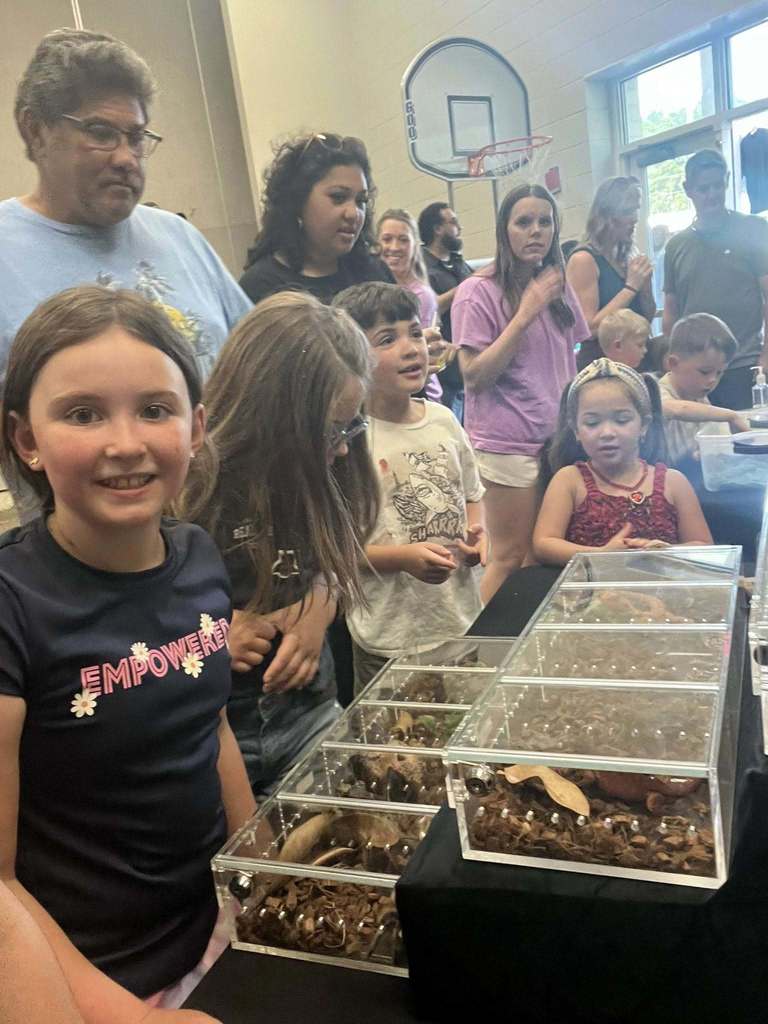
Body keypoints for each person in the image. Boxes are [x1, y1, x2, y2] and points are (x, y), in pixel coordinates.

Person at [0, 287, 254, 1009]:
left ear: (196, 424)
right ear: (26, 440)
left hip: (215, 936)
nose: (126, 442)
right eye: (83, 414)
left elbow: (213, 728)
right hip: (83, 980)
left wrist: (257, 879)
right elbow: (1, 884)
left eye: (154, 408)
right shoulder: (12, 605)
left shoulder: (201, 556)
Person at [179, 292, 379, 794]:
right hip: (220, 729)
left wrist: (317, 611)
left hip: (309, 710)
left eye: (350, 427)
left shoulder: (327, 472)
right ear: (268, 412)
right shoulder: (189, 488)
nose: (340, 449)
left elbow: (336, 559)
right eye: (329, 431)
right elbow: (134, 619)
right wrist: (208, 641)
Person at [1, 28, 251, 384]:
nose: (126, 159)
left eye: (135, 138)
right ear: (36, 131)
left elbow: (260, 368)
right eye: (101, 133)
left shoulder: (180, 237)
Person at [333, 282, 485, 691]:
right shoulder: (347, 442)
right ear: (350, 357)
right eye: (387, 339)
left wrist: (477, 537)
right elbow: (335, 551)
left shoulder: (443, 420)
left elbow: (472, 495)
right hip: (389, 636)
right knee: (397, 746)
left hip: (458, 619)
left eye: (415, 332)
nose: (411, 347)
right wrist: (400, 557)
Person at [452, 183, 589, 601]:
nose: (535, 232)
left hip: (557, 443)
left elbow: (571, 361)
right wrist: (526, 312)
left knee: (542, 556)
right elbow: (474, 376)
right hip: (507, 447)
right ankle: (490, 649)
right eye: (523, 222)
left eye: (544, 222)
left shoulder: (558, 286)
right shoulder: (477, 291)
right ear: (504, 230)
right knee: (509, 557)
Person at [533, 358, 712, 565]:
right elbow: (544, 544)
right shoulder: (569, 481)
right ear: (576, 430)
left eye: (622, 420)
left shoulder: (673, 482)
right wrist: (600, 555)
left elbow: (703, 545)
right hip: (593, 594)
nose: (607, 433)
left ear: (643, 425)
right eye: (592, 423)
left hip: (663, 592)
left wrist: (667, 551)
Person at [663, 148, 768, 410]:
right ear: (688, 189)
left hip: (745, 364)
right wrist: (672, 362)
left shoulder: (753, 230)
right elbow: (671, 312)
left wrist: (766, 357)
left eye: (717, 186)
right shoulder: (676, 245)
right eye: (703, 188)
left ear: (727, 181)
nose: (712, 195)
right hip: (693, 371)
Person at [239, 132, 393, 306]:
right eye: (338, 197)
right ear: (298, 201)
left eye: (361, 201)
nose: (353, 213)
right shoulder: (261, 287)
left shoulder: (375, 273)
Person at [566, 176, 655, 370]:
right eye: (627, 211)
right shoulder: (584, 259)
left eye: (636, 209)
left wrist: (645, 287)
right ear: (606, 215)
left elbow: (645, 318)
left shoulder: (627, 256)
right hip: (603, 368)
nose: (634, 218)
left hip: (635, 361)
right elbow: (588, 329)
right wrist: (630, 288)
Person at [658, 313, 749, 468]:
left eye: (719, 372)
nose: (713, 380)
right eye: (705, 371)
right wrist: (731, 416)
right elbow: (677, 409)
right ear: (673, 363)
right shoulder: (658, 392)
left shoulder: (698, 395)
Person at [377, 208, 445, 400]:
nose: (394, 247)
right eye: (387, 239)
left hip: (421, 393)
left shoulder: (421, 295)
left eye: (403, 240)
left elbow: (420, 353)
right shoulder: (372, 291)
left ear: (415, 246)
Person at [418, 202, 474, 418]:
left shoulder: (459, 264)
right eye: (453, 222)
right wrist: (465, 288)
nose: (458, 228)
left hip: (466, 368)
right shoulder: (422, 267)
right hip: (442, 372)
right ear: (437, 229)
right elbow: (430, 307)